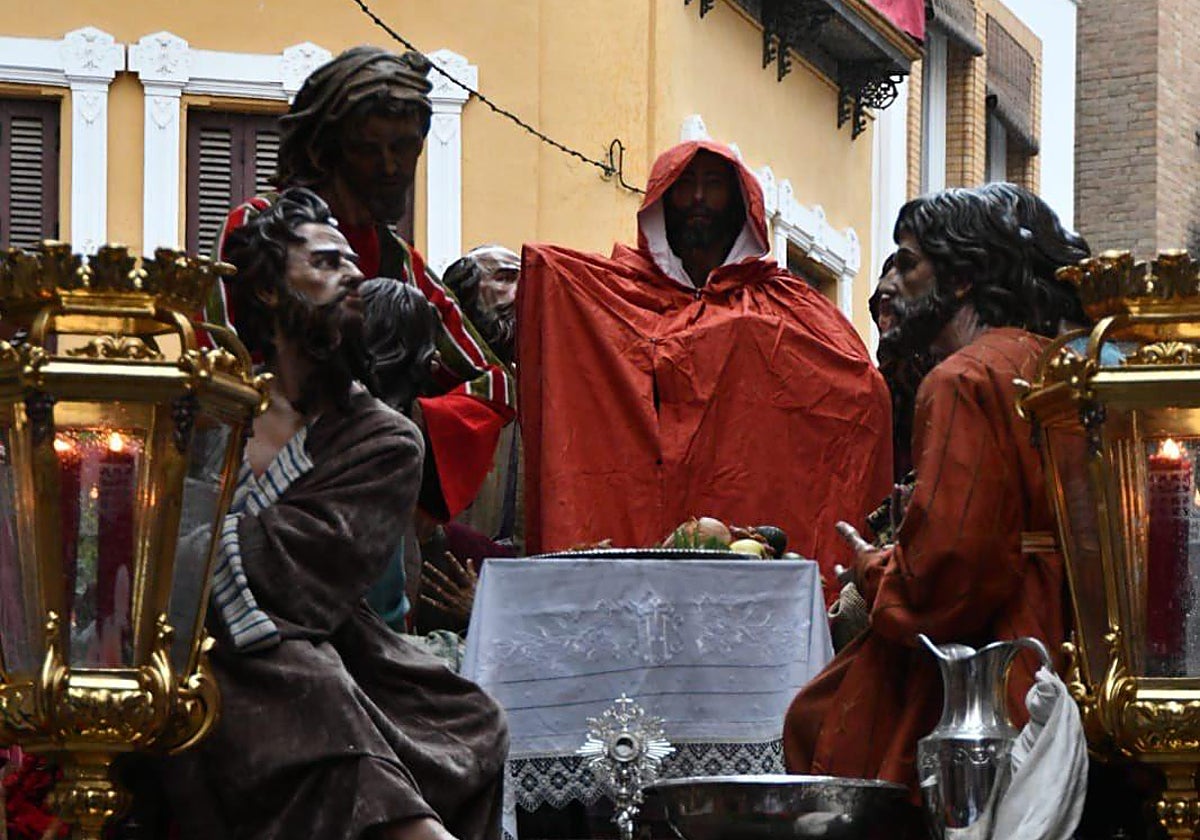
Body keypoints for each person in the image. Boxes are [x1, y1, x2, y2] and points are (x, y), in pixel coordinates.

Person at [166, 188, 508, 840]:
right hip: (219, 648)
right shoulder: (208, 410)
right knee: (307, 681)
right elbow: (158, 552)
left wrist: (212, 549)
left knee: (472, 718)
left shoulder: (381, 434)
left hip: (338, 638)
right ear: (268, 290)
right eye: (324, 263)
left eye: (350, 262)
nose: (351, 276)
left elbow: (312, 568)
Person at [783, 184, 1091, 798]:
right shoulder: (1057, 361)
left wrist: (872, 571)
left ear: (960, 280)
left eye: (910, 260)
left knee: (819, 727)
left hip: (996, 657)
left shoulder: (961, 379)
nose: (888, 283)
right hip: (1076, 643)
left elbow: (948, 573)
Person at [518, 140, 892, 577]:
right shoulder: (615, 291)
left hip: (745, 520)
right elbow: (555, 286)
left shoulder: (786, 303)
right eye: (686, 185)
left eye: (713, 185)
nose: (698, 197)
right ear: (662, 200)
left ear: (738, 203)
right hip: (638, 514)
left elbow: (859, 390)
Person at [206, 46, 514, 524]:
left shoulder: (400, 262)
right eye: (371, 148)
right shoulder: (261, 229)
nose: (392, 167)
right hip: (256, 477)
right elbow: (216, 357)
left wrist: (403, 422)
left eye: (406, 147)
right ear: (326, 148)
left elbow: (493, 381)